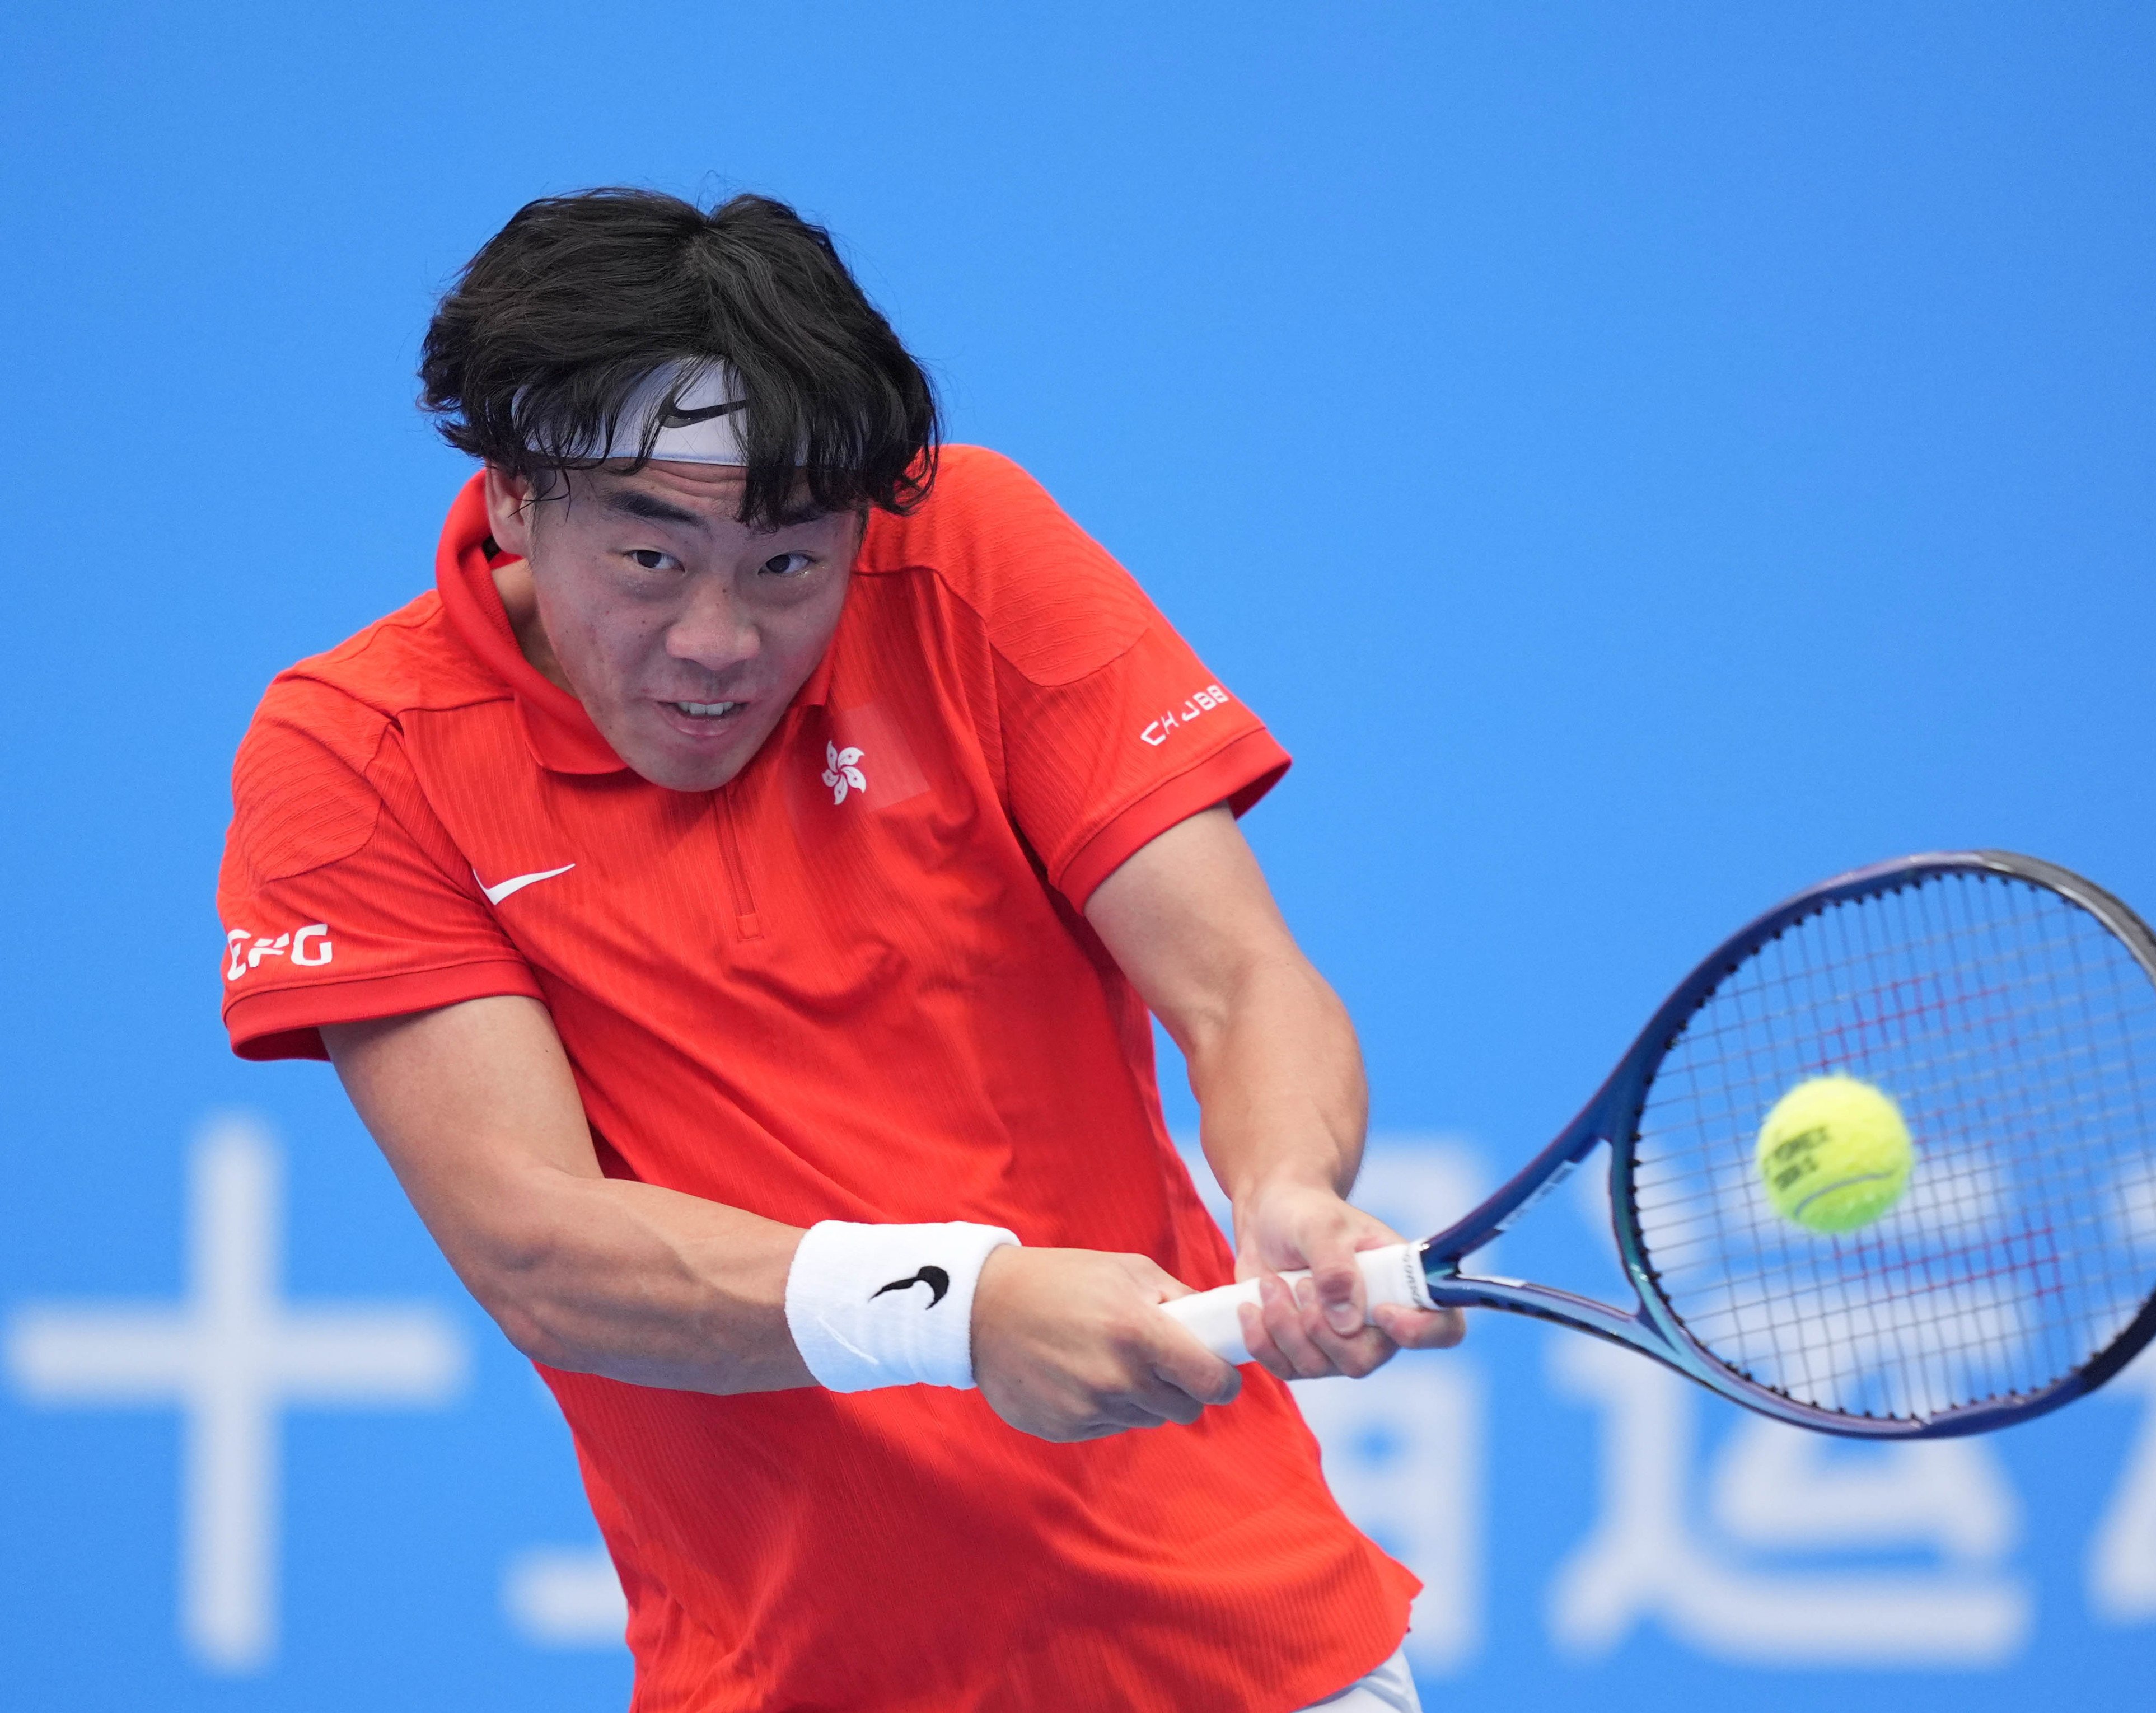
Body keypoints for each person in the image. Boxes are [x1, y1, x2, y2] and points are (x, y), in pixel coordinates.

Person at [216, 188, 1461, 1712]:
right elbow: (538, 1246)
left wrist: (1286, 1188)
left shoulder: (971, 552)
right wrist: (965, 1306)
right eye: (653, 557)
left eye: (788, 565)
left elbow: (1238, 977)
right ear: (517, 497)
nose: (718, 639)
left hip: (1256, 1652)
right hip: (782, 1678)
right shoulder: (360, 752)